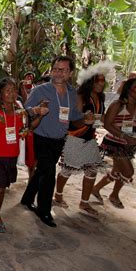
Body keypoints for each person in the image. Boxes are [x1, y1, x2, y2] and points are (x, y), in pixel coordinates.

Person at [20, 55, 90, 228]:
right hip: (41, 137)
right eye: (56, 69)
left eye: (63, 70)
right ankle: (44, 210)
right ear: (52, 70)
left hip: (59, 138)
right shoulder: (40, 90)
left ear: (70, 73)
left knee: (42, 170)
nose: (58, 73)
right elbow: (25, 111)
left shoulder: (72, 93)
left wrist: (84, 118)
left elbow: (72, 115)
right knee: (49, 173)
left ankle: (27, 198)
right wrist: (36, 109)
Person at [0, 77, 46, 233]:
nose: (11, 94)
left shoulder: (20, 109)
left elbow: (28, 128)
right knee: (0, 186)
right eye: (7, 91)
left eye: (14, 90)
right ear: (0, 93)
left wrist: (41, 115)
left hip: (12, 155)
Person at [53, 61, 114, 217]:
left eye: (103, 80)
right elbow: (74, 120)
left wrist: (117, 132)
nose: (101, 83)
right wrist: (85, 120)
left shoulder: (100, 97)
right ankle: (58, 196)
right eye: (98, 80)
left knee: (91, 170)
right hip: (75, 137)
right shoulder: (80, 96)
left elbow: (104, 119)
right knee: (67, 169)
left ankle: (84, 203)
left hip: (90, 138)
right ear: (90, 81)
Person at [92, 78, 136, 208]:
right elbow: (107, 124)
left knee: (117, 170)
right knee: (128, 172)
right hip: (115, 143)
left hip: (130, 144)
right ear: (128, 89)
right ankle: (114, 195)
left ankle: (97, 189)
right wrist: (123, 136)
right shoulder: (118, 104)